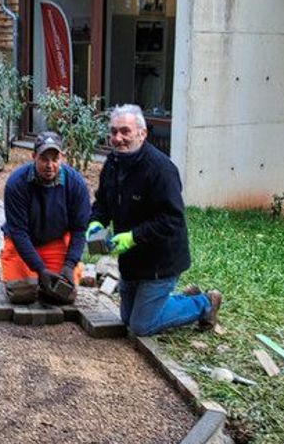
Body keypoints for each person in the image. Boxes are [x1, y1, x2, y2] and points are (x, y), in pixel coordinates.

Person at [88, 104, 221, 336]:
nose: (117, 138)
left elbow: (172, 219)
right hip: (132, 261)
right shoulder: (113, 163)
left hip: (161, 261)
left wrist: (133, 237)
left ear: (142, 133)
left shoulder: (160, 169)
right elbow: (102, 203)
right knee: (127, 319)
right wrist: (95, 223)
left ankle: (205, 303)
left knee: (141, 326)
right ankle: (181, 300)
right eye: (113, 132)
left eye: (125, 131)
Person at [0, 130, 91, 304]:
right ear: (33, 157)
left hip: (54, 242)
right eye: (44, 159)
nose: (50, 165)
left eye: (55, 159)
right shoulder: (16, 183)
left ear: (61, 158)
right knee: (21, 294)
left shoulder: (76, 184)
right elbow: (18, 232)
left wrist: (69, 265)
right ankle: (17, 269)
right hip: (22, 243)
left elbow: (79, 230)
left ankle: (50, 273)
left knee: (64, 294)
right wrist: (40, 269)